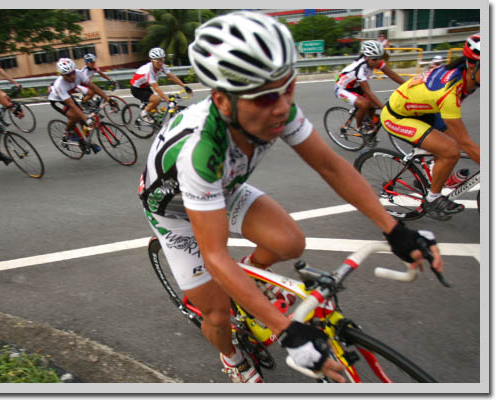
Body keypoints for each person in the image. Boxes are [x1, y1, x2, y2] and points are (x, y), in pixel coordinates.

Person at [139, 11, 443, 383]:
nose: (282, 105)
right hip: (175, 212)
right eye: (266, 96)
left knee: (290, 241)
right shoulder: (201, 152)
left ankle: (249, 282)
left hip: (226, 188)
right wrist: (288, 331)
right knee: (217, 314)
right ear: (222, 102)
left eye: (288, 86)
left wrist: (394, 229)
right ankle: (232, 357)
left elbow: (332, 167)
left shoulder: (277, 109)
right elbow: (215, 256)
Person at [380, 34, 481, 221]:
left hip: (425, 109)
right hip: (397, 116)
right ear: (473, 65)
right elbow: (465, 142)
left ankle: (433, 178)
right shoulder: (450, 92)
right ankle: (432, 199)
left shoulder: (468, 72)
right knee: (451, 150)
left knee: (450, 147)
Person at [334, 40, 406, 133]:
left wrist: (407, 85)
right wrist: (383, 108)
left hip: (355, 86)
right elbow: (368, 92)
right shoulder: (359, 68)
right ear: (366, 57)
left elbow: (392, 75)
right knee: (364, 105)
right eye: (374, 59)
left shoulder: (375, 61)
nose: (378, 61)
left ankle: (368, 124)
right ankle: (359, 127)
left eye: (380, 58)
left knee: (372, 106)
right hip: (342, 89)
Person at [47, 57, 116, 153]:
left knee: (82, 120)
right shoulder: (59, 85)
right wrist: (86, 119)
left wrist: (107, 99)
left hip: (68, 95)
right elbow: (72, 105)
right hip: (56, 99)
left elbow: (93, 87)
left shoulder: (79, 74)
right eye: (68, 75)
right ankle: (67, 133)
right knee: (75, 116)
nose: (72, 77)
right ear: (62, 75)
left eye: (72, 73)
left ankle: (88, 142)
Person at [129, 47, 193, 124]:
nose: (160, 63)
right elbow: (156, 88)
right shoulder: (148, 71)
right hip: (136, 89)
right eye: (158, 61)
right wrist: (167, 100)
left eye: (162, 60)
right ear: (151, 61)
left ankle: (152, 119)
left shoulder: (162, 65)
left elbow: (171, 76)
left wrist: (185, 86)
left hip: (145, 86)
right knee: (156, 100)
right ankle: (144, 114)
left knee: (155, 107)